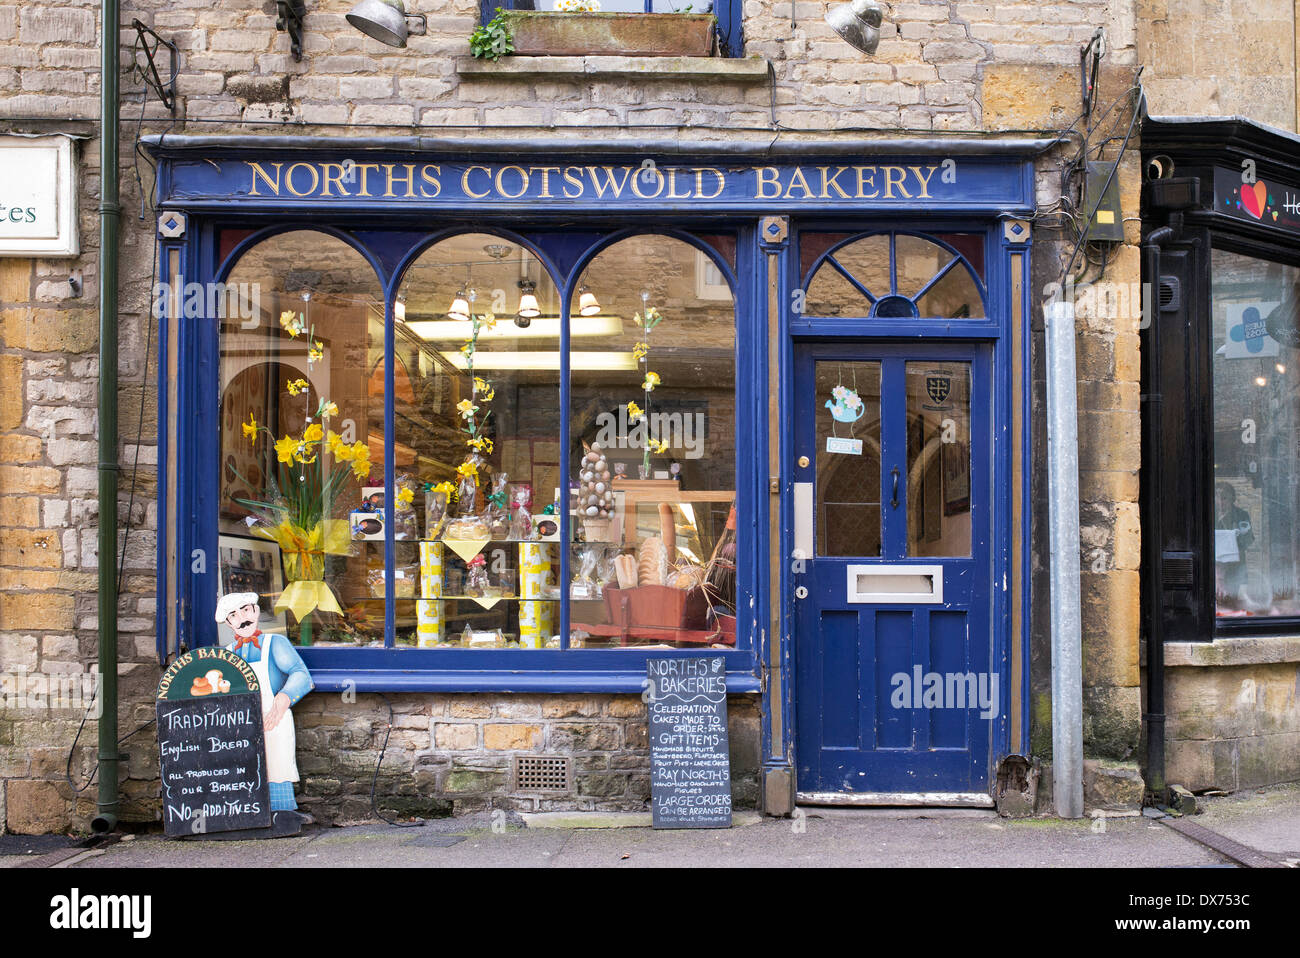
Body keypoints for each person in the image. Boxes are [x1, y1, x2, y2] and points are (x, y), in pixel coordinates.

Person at [215, 592, 314, 818]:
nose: (242, 618)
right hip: (242, 720)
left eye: (246, 610)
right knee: (244, 761)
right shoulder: (227, 654)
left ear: (256, 612)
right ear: (229, 623)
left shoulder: (275, 643)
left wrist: (284, 698)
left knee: (277, 760)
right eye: (234, 615)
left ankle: (282, 811)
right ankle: (248, 811)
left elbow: (300, 674)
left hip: (273, 715)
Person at [1214, 483, 1254, 602]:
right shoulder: (1210, 515)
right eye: (1217, 497)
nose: (1221, 502)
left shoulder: (1241, 515)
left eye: (1224, 498)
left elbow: (1248, 540)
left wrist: (1228, 527)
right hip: (1215, 568)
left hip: (1235, 567)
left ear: (1232, 498)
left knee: (1232, 601)